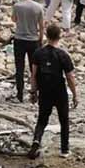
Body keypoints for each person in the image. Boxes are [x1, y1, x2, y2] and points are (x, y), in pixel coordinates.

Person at [27, 24, 78, 159]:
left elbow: (33, 74)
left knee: (42, 119)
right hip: (59, 91)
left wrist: (33, 92)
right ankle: (64, 149)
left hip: (44, 91)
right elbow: (70, 77)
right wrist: (74, 94)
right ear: (59, 36)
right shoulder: (63, 55)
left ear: (46, 36)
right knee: (64, 120)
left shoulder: (38, 53)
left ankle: (36, 141)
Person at [10, 0, 46, 101]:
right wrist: (40, 40)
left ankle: (19, 94)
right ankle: (35, 92)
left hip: (19, 39)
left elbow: (14, 19)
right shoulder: (39, 7)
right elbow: (41, 26)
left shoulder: (17, 6)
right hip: (33, 40)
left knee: (19, 68)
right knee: (34, 68)